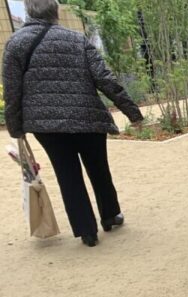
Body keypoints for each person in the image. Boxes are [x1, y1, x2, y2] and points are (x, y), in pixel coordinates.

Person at [2, 0, 144, 247]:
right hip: (87, 117)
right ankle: (110, 215)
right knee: (99, 167)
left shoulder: (16, 43)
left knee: (67, 174)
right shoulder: (76, 40)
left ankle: (86, 231)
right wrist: (132, 112)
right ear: (55, 11)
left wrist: (16, 129)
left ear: (28, 11)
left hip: (46, 125)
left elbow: (12, 92)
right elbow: (104, 78)